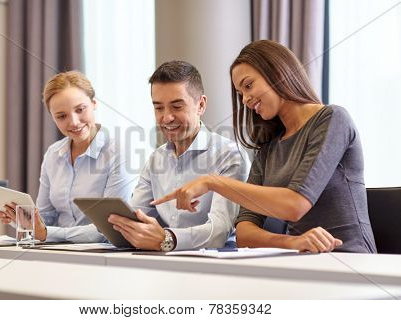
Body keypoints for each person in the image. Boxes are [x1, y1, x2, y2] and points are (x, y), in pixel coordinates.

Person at [152, 40, 377, 254]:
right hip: (301, 260)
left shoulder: (332, 119)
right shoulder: (269, 147)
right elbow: (244, 233)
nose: (245, 100)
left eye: (248, 86)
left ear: (278, 73)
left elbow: (295, 204)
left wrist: (213, 182)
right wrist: (293, 242)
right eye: (240, 93)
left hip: (351, 258)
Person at [108, 61, 250, 251]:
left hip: (215, 265)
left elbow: (218, 231)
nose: (166, 118)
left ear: (201, 105)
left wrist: (167, 239)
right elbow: (136, 217)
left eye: (177, 107)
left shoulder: (230, 156)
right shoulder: (155, 160)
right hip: (163, 262)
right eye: (159, 108)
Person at [0, 70, 134, 242]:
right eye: (62, 116)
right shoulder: (53, 155)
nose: (74, 122)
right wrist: (20, 219)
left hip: (101, 256)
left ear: (94, 103)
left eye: (80, 109)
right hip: (57, 253)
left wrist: (45, 233)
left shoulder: (118, 152)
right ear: (53, 118)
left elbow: (111, 228)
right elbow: (45, 218)